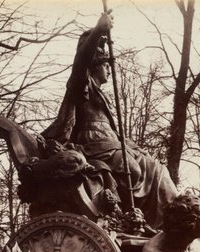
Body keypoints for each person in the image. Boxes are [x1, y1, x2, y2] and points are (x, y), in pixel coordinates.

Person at [43, 10, 177, 229]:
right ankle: (124, 217)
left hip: (112, 143)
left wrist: (131, 145)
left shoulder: (100, 93)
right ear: (96, 66)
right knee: (131, 170)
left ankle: (165, 224)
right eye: (106, 65)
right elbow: (81, 60)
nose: (109, 70)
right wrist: (98, 30)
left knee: (156, 169)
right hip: (94, 144)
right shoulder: (81, 83)